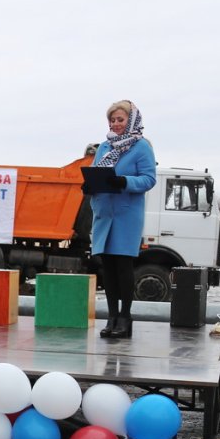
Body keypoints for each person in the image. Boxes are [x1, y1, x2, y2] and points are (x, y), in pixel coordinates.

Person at [86, 100, 157, 339]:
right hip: (104, 215)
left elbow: (149, 179)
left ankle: (125, 317)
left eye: (120, 120)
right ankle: (112, 317)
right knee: (107, 269)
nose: (116, 124)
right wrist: (89, 186)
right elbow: (97, 172)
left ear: (131, 121)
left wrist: (124, 181)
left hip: (126, 216)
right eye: (112, 120)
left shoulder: (141, 146)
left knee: (123, 268)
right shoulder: (104, 147)